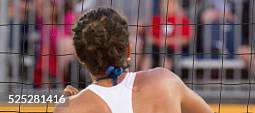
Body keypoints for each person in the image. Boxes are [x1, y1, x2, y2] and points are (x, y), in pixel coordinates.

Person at [54, 7, 213, 113]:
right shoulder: (165, 80)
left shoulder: (71, 108)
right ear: (129, 49)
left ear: (80, 57)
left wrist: (67, 103)